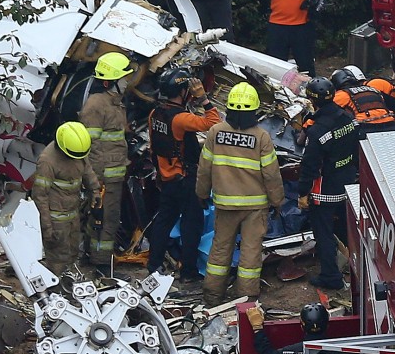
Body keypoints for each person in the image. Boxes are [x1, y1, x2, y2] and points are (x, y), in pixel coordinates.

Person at [196, 82, 284, 305]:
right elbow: (271, 174)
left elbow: (204, 168)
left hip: (225, 205)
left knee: (220, 249)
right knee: (250, 252)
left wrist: (202, 193)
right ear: (254, 111)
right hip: (255, 208)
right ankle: (246, 298)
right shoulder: (261, 137)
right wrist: (277, 201)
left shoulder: (215, 133)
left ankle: (213, 295)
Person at [147, 67, 220, 281]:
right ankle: (188, 271)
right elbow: (213, 124)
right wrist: (203, 99)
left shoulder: (155, 114)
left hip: (167, 178)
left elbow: (154, 147)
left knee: (164, 222)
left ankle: (153, 265)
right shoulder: (180, 118)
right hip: (186, 180)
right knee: (192, 225)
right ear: (182, 91)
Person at [297, 77, 359, 290]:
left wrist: (302, 192)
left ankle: (330, 277)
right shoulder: (348, 119)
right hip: (347, 183)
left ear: (311, 100)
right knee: (346, 229)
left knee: (323, 234)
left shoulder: (318, 131)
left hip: (324, 190)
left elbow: (310, 165)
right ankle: (358, 267)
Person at [79, 52, 133, 269]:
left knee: (101, 220)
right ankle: (102, 265)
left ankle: (92, 257)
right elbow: (88, 146)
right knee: (106, 221)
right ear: (111, 81)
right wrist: (95, 181)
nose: (127, 81)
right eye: (124, 78)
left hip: (114, 175)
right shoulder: (96, 105)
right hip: (104, 178)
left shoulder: (116, 104)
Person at [32, 122, 100, 276]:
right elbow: (40, 195)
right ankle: (57, 290)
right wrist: (47, 227)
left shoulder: (78, 150)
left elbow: (87, 171)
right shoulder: (47, 161)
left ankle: (69, 281)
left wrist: (95, 192)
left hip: (73, 213)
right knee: (58, 257)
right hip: (56, 219)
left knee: (73, 250)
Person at [330, 66, 395, 135]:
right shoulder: (373, 90)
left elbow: (326, 112)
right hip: (390, 125)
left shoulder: (342, 95)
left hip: (365, 129)